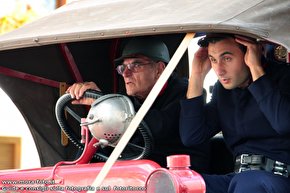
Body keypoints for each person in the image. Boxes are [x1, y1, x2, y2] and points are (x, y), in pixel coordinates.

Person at [66, 36, 211, 173]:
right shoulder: (124, 99)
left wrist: (106, 104)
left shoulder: (186, 92)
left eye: (135, 65)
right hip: (135, 173)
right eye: (122, 68)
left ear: (159, 69)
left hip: (179, 177)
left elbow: (156, 128)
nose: (126, 74)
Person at [179, 33, 290, 193]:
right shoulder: (223, 91)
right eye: (213, 60)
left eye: (227, 58)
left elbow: (284, 123)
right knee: (178, 184)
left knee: (249, 183)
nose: (219, 70)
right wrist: (197, 75)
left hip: (280, 178)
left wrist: (256, 68)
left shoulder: (284, 77)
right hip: (239, 179)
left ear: (250, 54)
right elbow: (191, 136)